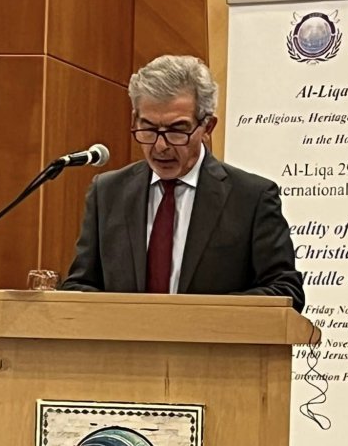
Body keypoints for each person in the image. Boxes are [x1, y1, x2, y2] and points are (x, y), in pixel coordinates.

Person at [60, 55, 305, 310]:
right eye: (149, 129)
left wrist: (197, 317)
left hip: (212, 336)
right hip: (123, 337)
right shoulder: (107, 192)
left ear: (207, 126)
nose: (160, 146)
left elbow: (285, 291)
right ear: (135, 120)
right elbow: (79, 285)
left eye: (177, 130)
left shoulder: (251, 198)